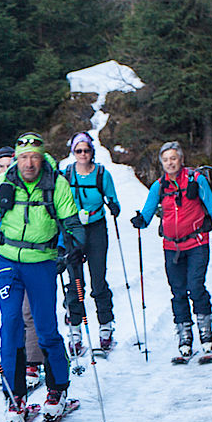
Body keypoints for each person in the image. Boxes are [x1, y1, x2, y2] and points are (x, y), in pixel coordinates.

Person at [0, 132, 85, 422]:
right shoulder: (4, 182)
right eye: (23, 158)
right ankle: (16, 394)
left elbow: (72, 224)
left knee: (46, 327)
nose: (29, 163)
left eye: (34, 157)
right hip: (8, 260)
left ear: (41, 157)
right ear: (17, 159)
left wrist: (73, 248)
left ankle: (57, 388)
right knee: (10, 325)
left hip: (42, 263)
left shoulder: (56, 183)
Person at [130, 140, 212, 360]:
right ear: (162, 164)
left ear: (181, 160)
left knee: (195, 287)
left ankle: (206, 335)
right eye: (165, 160)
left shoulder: (196, 180)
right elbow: (148, 212)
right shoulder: (159, 186)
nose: (170, 163)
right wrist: (140, 220)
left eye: (173, 158)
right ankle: (185, 336)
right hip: (171, 246)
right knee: (178, 291)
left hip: (197, 243)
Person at [0, 147, 45, 384]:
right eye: (0, 166)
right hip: (2, 257)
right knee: (10, 313)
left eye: (8, 165)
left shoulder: (27, 189)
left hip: (30, 256)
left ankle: (33, 363)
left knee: (28, 310)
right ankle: (14, 364)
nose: (5, 170)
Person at [60, 131, 124, 353]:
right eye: (78, 150)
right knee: (76, 282)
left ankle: (105, 327)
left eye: (86, 150)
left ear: (92, 152)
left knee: (98, 280)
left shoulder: (101, 174)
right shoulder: (66, 174)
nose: (83, 154)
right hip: (73, 229)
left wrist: (114, 206)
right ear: (73, 153)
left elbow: (113, 198)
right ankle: (75, 331)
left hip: (96, 228)